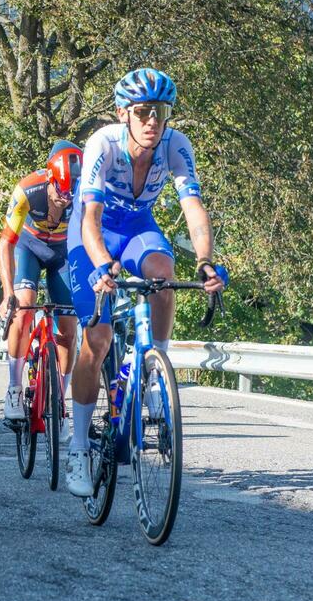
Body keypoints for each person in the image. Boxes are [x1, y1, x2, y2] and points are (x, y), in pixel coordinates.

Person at [63, 69, 225, 497]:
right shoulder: (104, 143)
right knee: (95, 339)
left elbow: (193, 207)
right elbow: (91, 220)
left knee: (164, 277)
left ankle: (154, 372)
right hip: (92, 233)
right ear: (123, 114)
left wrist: (206, 262)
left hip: (138, 227)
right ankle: (78, 446)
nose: (153, 120)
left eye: (161, 112)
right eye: (143, 112)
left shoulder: (175, 145)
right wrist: (100, 265)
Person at [0, 141, 83, 422]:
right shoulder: (27, 190)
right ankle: (14, 389)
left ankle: (60, 397)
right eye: (61, 190)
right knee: (23, 309)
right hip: (28, 248)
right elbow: (6, 243)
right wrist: (7, 291)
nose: (66, 198)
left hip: (63, 254)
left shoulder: (82, 194)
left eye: (72, 192)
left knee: (69, 331)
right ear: (49, 177)